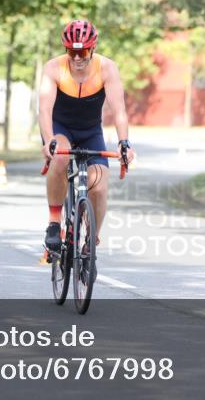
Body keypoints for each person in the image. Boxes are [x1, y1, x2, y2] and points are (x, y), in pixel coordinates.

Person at [38, 19, 136, 253]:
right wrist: (49, 140)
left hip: (91, 131)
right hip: (60, 128)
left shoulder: (107, 68)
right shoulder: (53, 68)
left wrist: (124, 142)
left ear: (92, 49)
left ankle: (91, 240)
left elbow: (119, 110)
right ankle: (54, 223)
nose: (77, 58)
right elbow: (44, 110)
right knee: (60, 158)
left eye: (82, 52)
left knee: (99, 187)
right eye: (71, 52)